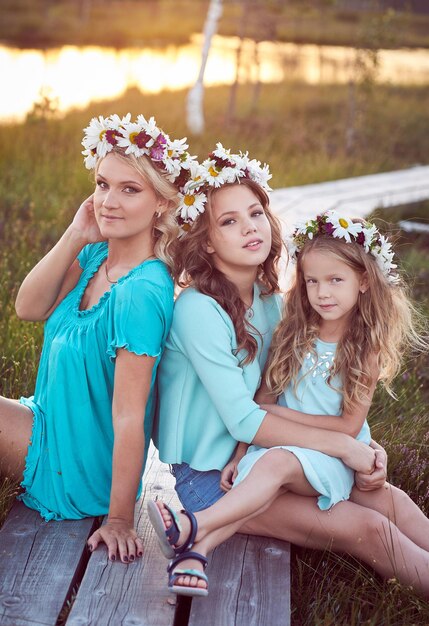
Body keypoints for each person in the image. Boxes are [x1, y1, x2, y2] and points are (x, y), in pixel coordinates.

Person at [151, 147, 429, 597]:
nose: (249, 228)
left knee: (389, 501)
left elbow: (292, 392)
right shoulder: (198, 311)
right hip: (212, 478)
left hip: (271, 455)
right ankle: (194, 533)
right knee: (373, 530)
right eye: (228, 221)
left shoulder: (270, 301)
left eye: (256, 213)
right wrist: (343, 442)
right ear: (205, 240)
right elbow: (246, 418)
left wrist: (358, 442)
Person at [0, 113, 196, 563]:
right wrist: (75, 233)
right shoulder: (95, 256)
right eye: (103, 184)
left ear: (162, 203)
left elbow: (131, 415)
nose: (109, 200)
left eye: (130, 190)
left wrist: (120, 519)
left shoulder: (141, 294)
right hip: (46, 419)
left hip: (76, 463)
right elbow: (28, 307)